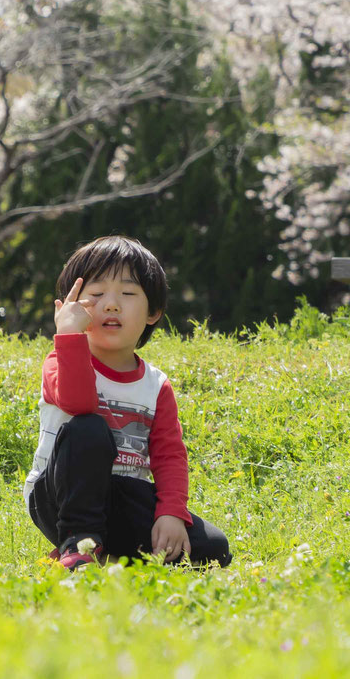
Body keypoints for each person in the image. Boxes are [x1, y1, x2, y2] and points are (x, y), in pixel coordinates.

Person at [22, 235, 232, 571]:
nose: (111, 304)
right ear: (70, 305)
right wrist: (69, 337)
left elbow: (169, 456)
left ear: (154, 312)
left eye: (128, 293)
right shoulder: (59, 360)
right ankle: (77, 546)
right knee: (89, 428)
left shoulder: (155, 385)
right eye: (97, 293)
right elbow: (79, 403)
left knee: (213, 548)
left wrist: (170, 514)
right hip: (59, 497)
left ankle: (110, 555)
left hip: (121, 498)